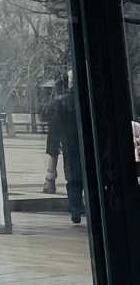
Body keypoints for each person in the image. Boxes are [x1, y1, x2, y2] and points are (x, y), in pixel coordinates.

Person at [49, 88, 85, 224]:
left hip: (69, 146)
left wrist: (54, 149)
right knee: (86, 178)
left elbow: (54, 128)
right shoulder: (86, 99)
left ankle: (75, 209)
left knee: (73, 180)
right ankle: (83, 208)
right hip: (86, 145)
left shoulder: (62, 102)